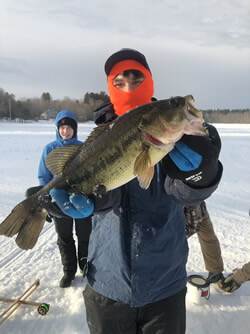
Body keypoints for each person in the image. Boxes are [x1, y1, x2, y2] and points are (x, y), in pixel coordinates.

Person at [48, 49, 223, 333]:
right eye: (119, 82)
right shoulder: (102, 136)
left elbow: (185, 193)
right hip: (106, 285)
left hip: (164, 286)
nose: (129, 87)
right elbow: (97, 190)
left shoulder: (177, 138)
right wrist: (74, 203)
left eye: (136, 78)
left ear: (151, 82)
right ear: (110, 88)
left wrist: (201, 174)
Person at [37, 110, 92, 288]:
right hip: (59, 200)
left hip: (80, 198)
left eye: (69, 127)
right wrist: (45, 202)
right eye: (62, 127)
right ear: (57, 129)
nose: (66, 131)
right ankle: (68, 271)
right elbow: (43, 177)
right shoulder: (50, 148)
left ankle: (85, 266)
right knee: (64, 237)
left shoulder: (83, 148)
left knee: (85, 235)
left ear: (75, 129)